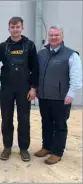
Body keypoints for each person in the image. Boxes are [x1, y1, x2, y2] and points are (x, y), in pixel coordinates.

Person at [0, 16, 39, 161]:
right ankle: (7, 147)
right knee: (6, 119)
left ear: (22, 28)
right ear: (9, 29)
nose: (15, 29)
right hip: (7, 89)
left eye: (17, 27)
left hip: (24, 89)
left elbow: (36, 68)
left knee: (24, 119)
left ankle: (24, 149)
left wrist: (33, 88)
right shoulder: (3, 47)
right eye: (12, 27)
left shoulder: (30, 46)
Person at [34, 25, 82, 164]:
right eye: (51, 35)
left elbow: (76, 77)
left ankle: (57, 152)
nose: (53, 37)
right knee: (46, 123)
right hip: (44, 96)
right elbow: (37, 73)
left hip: (62, 97)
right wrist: (36, 89)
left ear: (62, 36)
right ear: (48, 36)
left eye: (57, 35)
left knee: (60, 125)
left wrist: (71, 94)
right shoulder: (42, 54)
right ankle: (46, 146)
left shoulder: (71, 55)